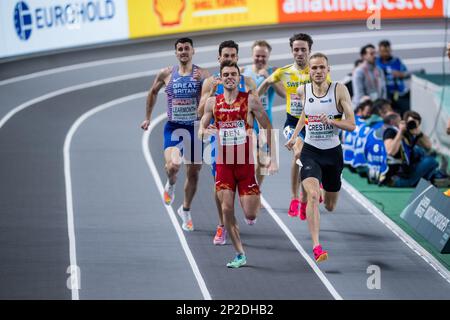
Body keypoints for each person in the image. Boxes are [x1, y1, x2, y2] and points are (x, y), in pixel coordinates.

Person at [199, 61, 276, 268]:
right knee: (226, 209)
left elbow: (268, 126)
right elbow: (201, 128)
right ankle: (240, 253)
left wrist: (272, 158)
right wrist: (205, 132)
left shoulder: (250, 100)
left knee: (250, 213)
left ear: (239, 77)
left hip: (245, 165)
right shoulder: (212, 102)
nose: (230, 77)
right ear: (221, 77)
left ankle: (251, 208)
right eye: (226, 74)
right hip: (224, 165)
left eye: (234, 74)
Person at [285, 53, 356, 262]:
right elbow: (304, 116)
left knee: (330, 206)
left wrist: (333, 122)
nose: (317, 72)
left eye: (321, 68)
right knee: (314, 196)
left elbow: (351, 124)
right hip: (311, 151)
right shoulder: (302, 90)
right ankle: (317, 246)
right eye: (313, 68)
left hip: (333, 154)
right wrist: (295, 137)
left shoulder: (339, 90)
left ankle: (328, 184)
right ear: (309, 71)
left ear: (328, 69)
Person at [140, 37, 210, 231]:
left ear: (193, 51)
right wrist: (148, 117)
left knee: (194, 172)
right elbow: (152, 92)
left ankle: (185, 210)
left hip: (194, 130)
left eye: (187, 48)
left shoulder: (202, 74)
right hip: (174, 128)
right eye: (180, 49)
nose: (183, 52)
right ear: (176, 53)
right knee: (173, 165)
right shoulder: (166, 73)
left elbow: (211, 98)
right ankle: (171, 184)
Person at [258, 33, 329, 219]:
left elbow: (329, 95)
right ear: (291, 51)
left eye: (303, 49)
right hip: (292, 122)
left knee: (308, 160)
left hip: (314, 123)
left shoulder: (317, 72)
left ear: (309, 51)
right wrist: (253, 102)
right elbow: (266, 83)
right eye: (296, 49)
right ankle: (294, 198)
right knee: (298, 152)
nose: (299, 53)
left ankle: (305, 199)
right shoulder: (284, 72)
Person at [198, 40, 257, 245]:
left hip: (244, 141)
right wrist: (210, 93)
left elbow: (254, 111)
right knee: (219, 185)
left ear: (237, 59)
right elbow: (200, 114)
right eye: (226, 56)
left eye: (233, 56)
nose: (229, 59)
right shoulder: (211, 82)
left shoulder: (247, 82)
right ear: (219, 58)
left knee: (245, 181)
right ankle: (222, 225)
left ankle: (245, 208)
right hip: (219, 143)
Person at [241, 40, 284, 186]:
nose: (260, 59)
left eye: (263, 56)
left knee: (263, 161)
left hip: (265, 121)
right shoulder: (243, 72)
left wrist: (269, 79)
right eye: (257, 56)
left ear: (268, 56)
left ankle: (256, 189)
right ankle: (249, 187)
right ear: (252, 55)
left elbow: (284, 94)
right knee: (251, 158)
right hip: (249, 120)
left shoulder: (273, 73)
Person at [376, 40, 410, 116]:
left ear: (390, 50)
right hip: (384, 96)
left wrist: (401, 74)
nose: (385, 53)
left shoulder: (397, 61)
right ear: (379, 51)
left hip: (399, 94)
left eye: (387, 51)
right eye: (383, 51)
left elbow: (406, 73)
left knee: (402, 113)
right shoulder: (376, 62)